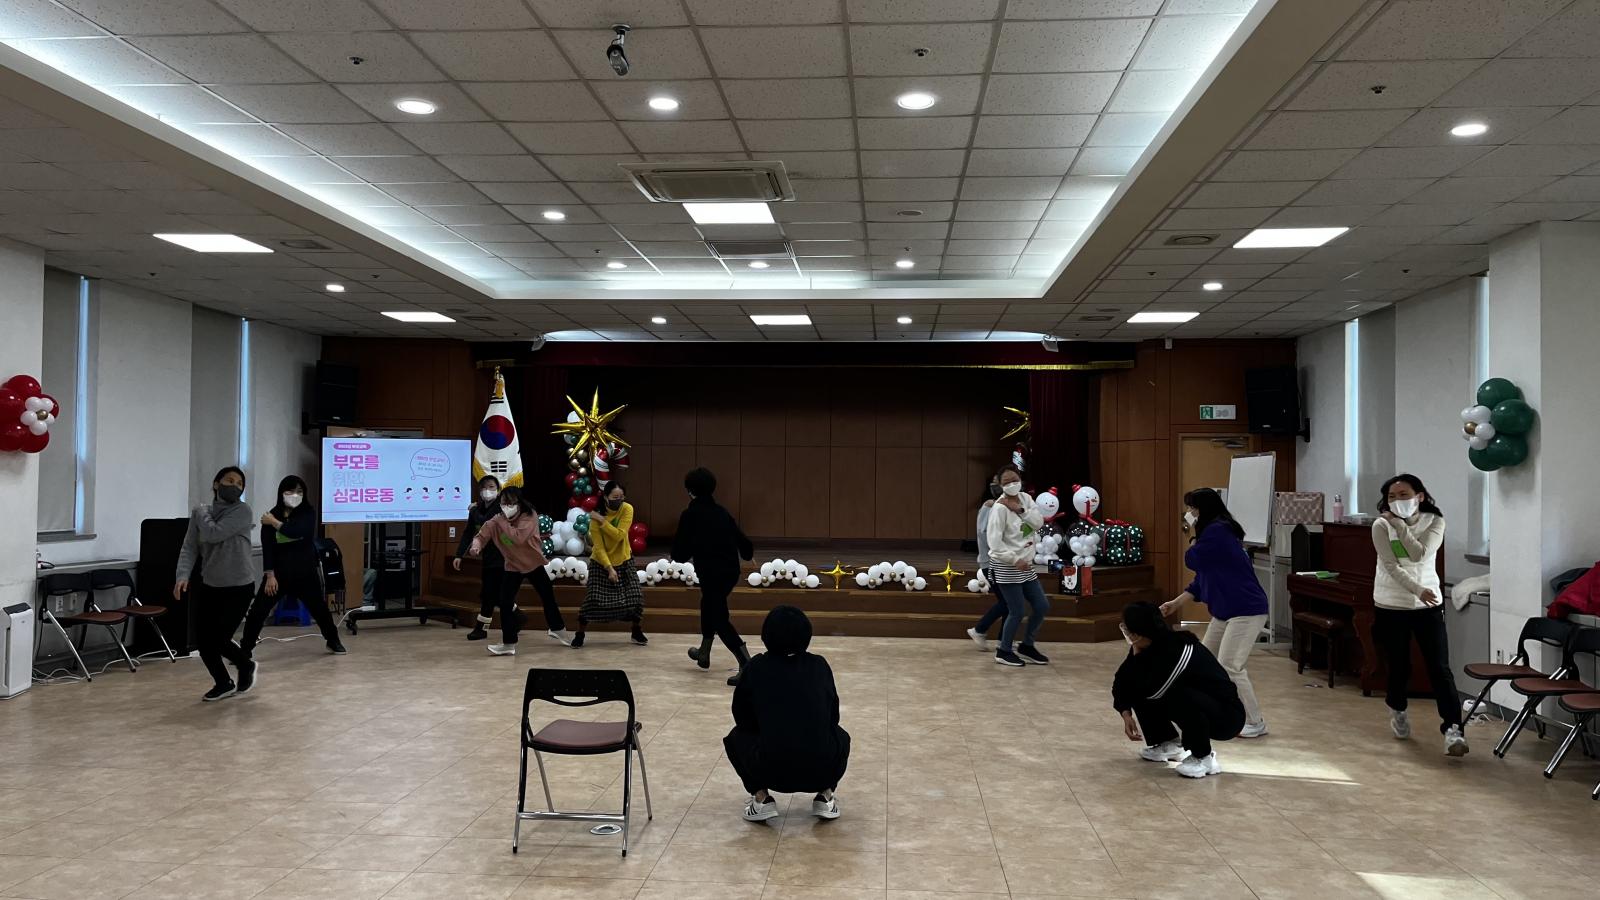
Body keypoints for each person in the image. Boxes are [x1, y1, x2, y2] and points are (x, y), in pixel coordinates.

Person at [1159, 488, 1270, 738]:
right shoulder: (1215, 533)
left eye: (1192, 508)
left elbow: (1193, 559)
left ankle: (1255, 721)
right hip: (1226, 611)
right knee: (1205, 662)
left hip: (1246, 610)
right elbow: (1202, 579)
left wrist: (1191, 538)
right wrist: (1176, 603)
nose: (1189, 513)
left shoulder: (1218, 531)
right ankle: (1211, 712)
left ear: (1203, 509)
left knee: (1231, 666)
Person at [725, 605, 850, 822]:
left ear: (766, 635)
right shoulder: (819, 665)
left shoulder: (756, 667)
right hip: (820, 768)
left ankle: (761, 798)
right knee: (841, 736)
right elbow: (833, 716)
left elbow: (742, 717)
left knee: (736, 737)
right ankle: (825, 795)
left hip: (769, 768)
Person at [1372, 474, 1467, 756]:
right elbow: (1391, 566)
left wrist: (1400, 526)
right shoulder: (1380, 525)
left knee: (1440, 668)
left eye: (1403, 494)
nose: (1397, 501)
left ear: (1420, 496)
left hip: (1428, 606)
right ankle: (1398, 709)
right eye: (1391, 497)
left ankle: (1453, 730)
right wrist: (1417, 589)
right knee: (1399, 666)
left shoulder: (1435, 522)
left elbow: (1419, 555)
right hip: (1391, 604)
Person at [1113, 601, 1245, 779]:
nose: (1126, 633)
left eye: (1127, 628)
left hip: (1226, 717)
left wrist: (1136, 660)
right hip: (1200, 704)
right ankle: (1168, 743)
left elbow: (1152, 690)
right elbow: (1122, 680)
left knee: (1174, 694)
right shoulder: (1146, 645)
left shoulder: (1177, 649)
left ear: (1138, 633)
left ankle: (1203, 757)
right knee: (1141, 686)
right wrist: (1125, 711)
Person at [175, 466, 259, 702]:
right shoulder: (203, 513)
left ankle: (245, 664)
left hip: (239, 586)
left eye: (239, 484)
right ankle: (223, 682)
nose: (235, 486)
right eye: (229, 480)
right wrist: (182, 576)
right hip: (211, 585)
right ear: (216, 484)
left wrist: (200, 513)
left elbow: (214, 533)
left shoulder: (242, 511)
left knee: (220, 639)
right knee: (203, 642)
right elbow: (189, 547)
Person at [240, 475, 344, 661]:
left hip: (305, 573)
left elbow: (298, 532)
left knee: (319, 609)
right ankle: (245, 649)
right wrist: (269, 575)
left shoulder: (307, 513)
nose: (295, 495)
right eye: (290, 491)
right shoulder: (272, 514)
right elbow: (268, 548)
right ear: (282, 493)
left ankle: (333, 640)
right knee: (257, 611)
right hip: (278, 575)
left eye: (299, 491)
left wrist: (274, 523)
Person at [673, 467, 755, 686]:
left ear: (689, 490)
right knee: (709, 605)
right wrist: (747, 554)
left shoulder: (690, 515)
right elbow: (745, 544)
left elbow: (679, 554)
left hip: (711, 573)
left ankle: (746, 663)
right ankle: (704, 651)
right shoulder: (722, 512)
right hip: (730, 572)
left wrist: (690, 548)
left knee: (718, 617)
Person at [468, 486, 569, 655]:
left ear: (519, 502)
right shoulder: (497, 520)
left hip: (533, 563)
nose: (506, 507)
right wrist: (476, 546)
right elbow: (482, 535)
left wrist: (501, 522)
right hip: (513, 566)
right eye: (503, 503)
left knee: (547, 597)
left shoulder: (529, 516)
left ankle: (557, 628)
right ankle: (509, 643)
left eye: (510, 503)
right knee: (505, 603)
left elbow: (518, 538)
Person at [985, 465, 1051, 667]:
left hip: (1026, 565)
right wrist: (1014, 560)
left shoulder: (1026, 499)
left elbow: (1038, 523)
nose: (1012, 484)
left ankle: (1027, 646)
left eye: (1015, 480)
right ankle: (1003, 651)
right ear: (1000, 485)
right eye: (1006, 482)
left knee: (1041, 606)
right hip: (1007, 566)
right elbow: (994, 543)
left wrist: (1020, 510)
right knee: (1016, 610)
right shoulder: (998, 508)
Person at [573, 480, 648, 648]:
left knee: (636, 597)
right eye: (615, 497)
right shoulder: (594, 517)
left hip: (624, 559)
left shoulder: (627, 509)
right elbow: (598, 547)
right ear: (606, 497)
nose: (619, 500)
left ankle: (636, 631)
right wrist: (609, 568)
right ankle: (580, 633)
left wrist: (603, 521)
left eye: (621, 497)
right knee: (593, 600)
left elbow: (619, 535)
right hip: (601, 562)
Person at [452, 474, 505, 641]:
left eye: (491, 487)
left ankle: (481, 629)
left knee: (488, 594)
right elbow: (468, 533)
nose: (487, 491)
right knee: (495, 595)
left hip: (503, 555)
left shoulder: (501, 508)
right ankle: (517, 616)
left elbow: (486, 522)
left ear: (498, 490)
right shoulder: (477, 509)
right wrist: (459, 554)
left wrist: (474, 510)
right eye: (484, 487)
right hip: (487, 556)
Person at [965, 473, 1007, 650]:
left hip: (1003, 563)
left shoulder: (1005, 507)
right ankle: (981, 630)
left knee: (1009, 602)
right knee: (1007, 602)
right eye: (996, 482)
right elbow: (985, 534)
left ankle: (1003, 639)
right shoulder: (989, 506)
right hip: (991, 563)